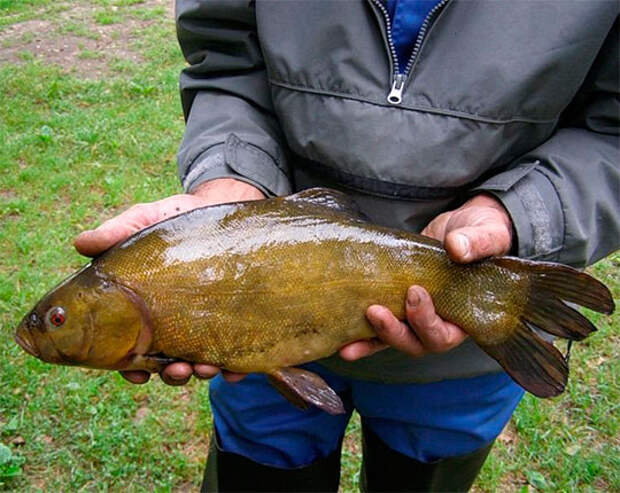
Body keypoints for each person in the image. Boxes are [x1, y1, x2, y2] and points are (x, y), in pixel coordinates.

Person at [75, 1, 620, 491]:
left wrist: (517, 214)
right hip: (261, 342)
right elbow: (224, 65)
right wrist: (231, 184)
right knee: (262, 463)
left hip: (459, 360)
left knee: (425, 469)